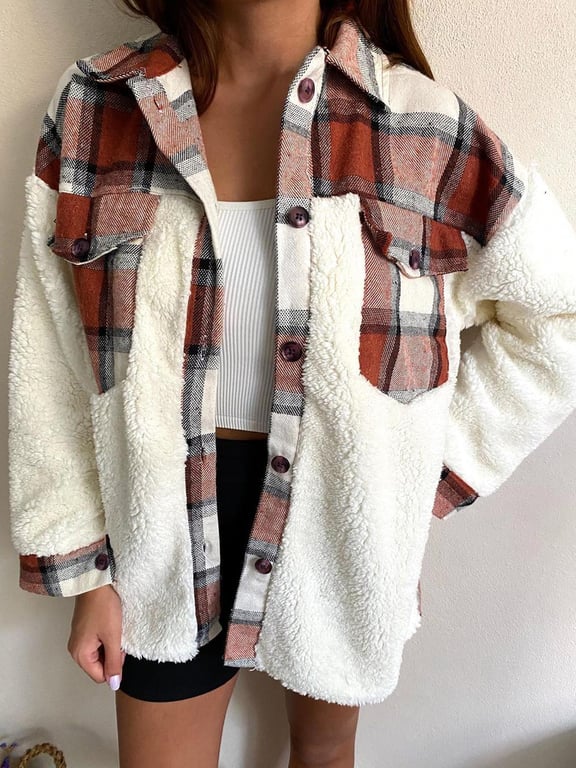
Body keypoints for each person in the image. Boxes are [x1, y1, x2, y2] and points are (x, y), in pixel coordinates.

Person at [8, 0, 576, 766]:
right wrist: (84, 568)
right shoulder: (98, 105)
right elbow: (48, 357)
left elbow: (559, 314)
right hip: (159, 525)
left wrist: (423, 475)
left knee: (324, 756)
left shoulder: (424, 126)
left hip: (340, 519)